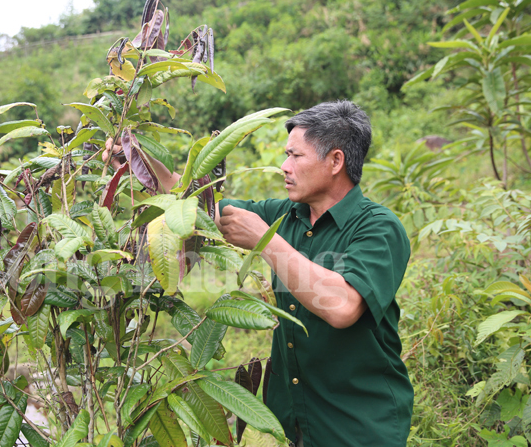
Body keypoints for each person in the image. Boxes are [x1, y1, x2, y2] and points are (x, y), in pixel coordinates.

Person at [103, 100, 413, 447]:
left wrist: (265, 241)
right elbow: (194, 204)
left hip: (356, 426)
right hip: (290, 423)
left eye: (296, 156)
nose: (284, 166)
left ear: (336, 161)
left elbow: (342, 306)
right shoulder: (287, 214)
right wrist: (136, 158)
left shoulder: (379, 228)